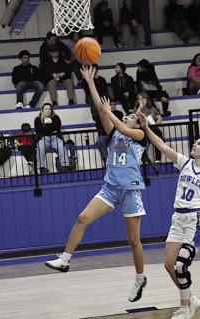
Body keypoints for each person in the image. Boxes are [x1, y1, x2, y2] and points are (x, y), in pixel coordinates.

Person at [45, 66, 149, 304]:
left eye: (130, 116)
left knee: (134, 241)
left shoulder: (140, 137)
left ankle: (140, 277)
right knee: (82, 218)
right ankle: (65, 259)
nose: (125, 118)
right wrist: (89, 82)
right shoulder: (115, 133)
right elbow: (101, 111)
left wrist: (110, 112)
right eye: (124, 116)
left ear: (138, 124)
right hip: (111, 188)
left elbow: (120, 124)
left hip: (130, 190)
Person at [136, 110, 200, 319]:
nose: (195, 145)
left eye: (199, 143)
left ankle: (185, 308)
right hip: (178, 219)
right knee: (169, 265)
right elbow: (162, 146)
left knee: (181, 266)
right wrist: (146, 128)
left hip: (195, 221)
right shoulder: (184, 162)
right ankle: (190, 297)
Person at [34, 103, 71, 174]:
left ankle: (65, 165)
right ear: (42, 110)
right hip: (44, 138)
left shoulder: (55, 117)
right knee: (40, 147)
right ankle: (41, 167)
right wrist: (48, 125)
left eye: (49, 109)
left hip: (55, 137)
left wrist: (47, 126)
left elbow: (57, 127)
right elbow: (38, 130)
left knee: (61, 146)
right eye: (46, 109)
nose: (48, 110)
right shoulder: (38, 119)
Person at [134, 92, 164, 163]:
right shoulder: (137, 109)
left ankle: (158, 158)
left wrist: (157, 123)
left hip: (153, 127)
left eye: (143, 98)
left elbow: (159, 117)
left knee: (158, 136)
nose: (142, 100)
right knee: (141, 140)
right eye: (140, 99)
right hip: (143, 128)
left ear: (147, 99)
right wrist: (140, 108)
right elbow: (134, 117)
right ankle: (145, 159)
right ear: (138, 101)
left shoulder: (152, 108)